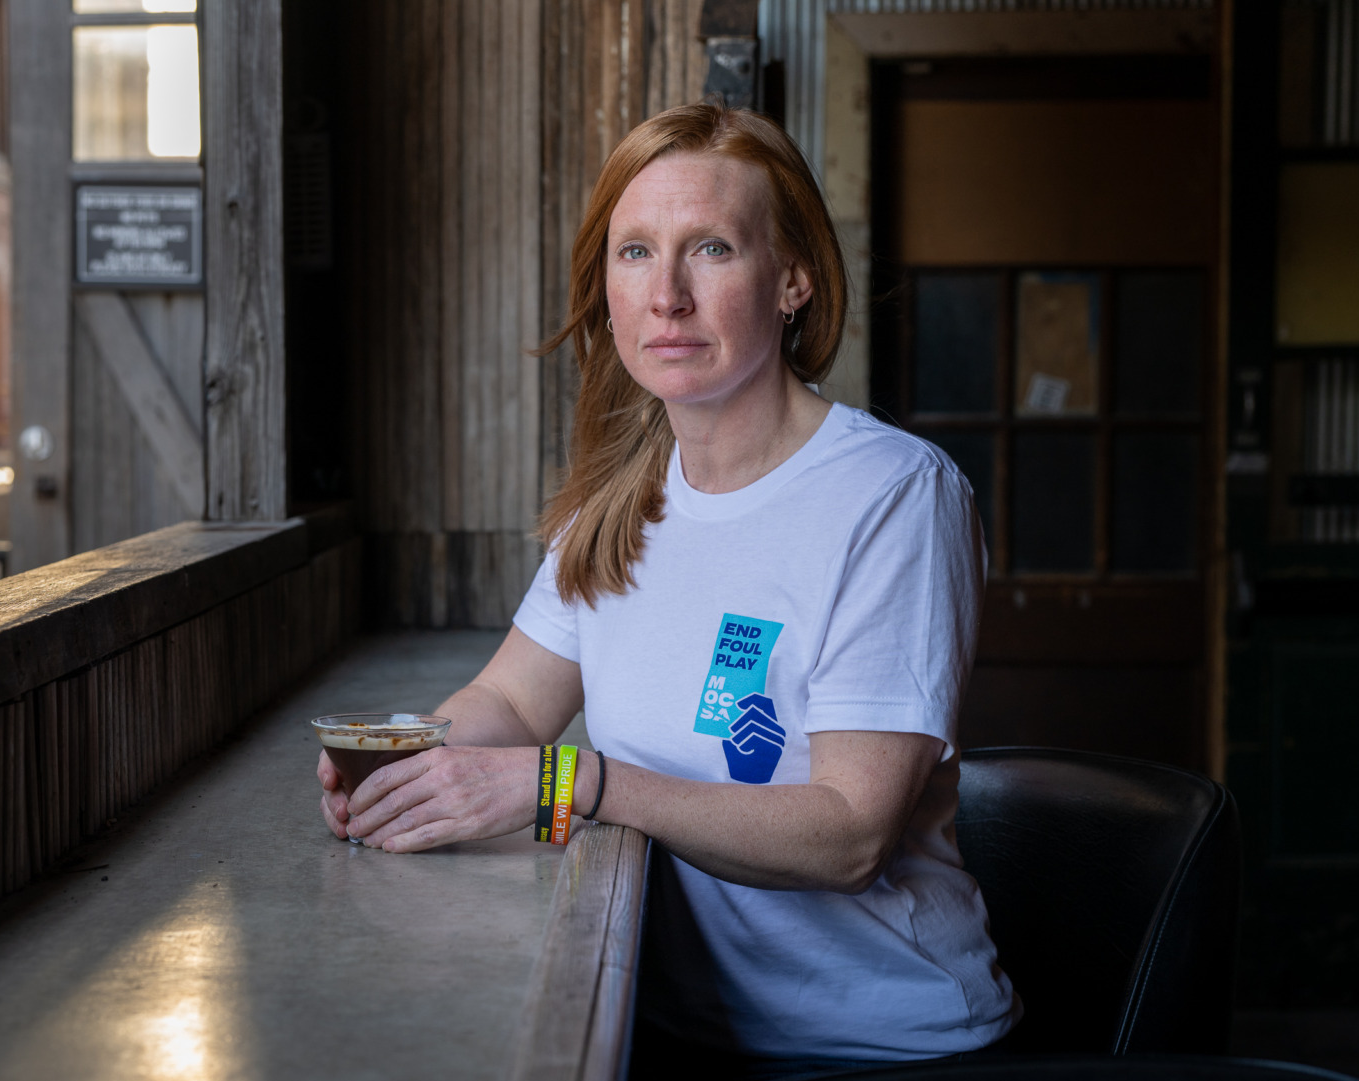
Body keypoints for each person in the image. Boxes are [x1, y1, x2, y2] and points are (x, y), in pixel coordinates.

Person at [317, 102, 1019, 1073]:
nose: (668, 296)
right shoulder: (616, 504)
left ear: (794, 282)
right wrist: (416, 770)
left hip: (875, 1047)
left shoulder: (894, 495)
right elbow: (512, 699)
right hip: (666, 1030)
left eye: (713, 250)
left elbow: (850, 832)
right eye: (636, 252)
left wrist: (576, 782)